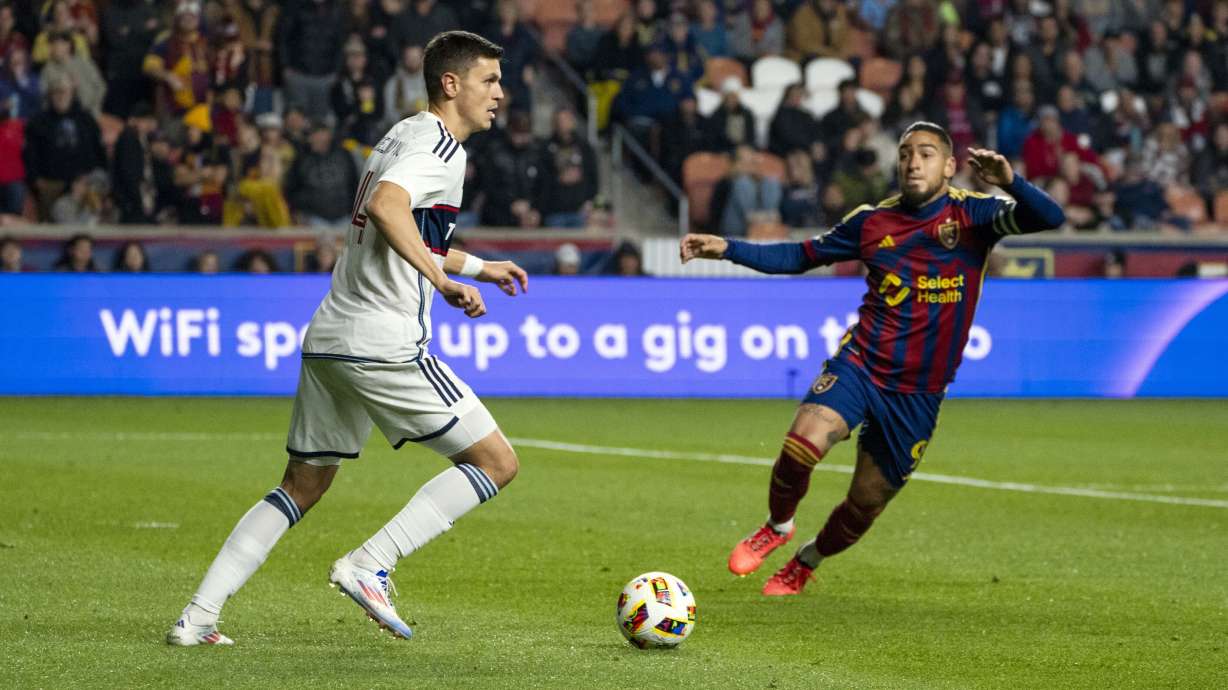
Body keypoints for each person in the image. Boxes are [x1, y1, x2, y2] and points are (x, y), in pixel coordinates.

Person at [167, 30, 527, 646]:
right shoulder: (440, 148)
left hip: (332, 334)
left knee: (301, 485)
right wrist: (442, 280)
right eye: (489, 80)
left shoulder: (401, 134)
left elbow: (403, 226)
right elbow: (389, 208)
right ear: (451, 84)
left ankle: (197, 617)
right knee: (496, 462)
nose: (500, 92)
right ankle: (369, 563)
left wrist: (475, 266)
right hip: (381, 341)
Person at [679, 122, 1064, 596]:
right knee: (803, 442)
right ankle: (777, 526)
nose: (913, 162)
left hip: (919, 393)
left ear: (948, 166)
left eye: (925, 153)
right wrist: (727, 248)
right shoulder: (871, 221)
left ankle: (807, 561)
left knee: (865, 502)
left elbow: (1050, 217)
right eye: (905, 154)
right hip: (863, 363)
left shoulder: (975, 217)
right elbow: (800, 256)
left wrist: (1009, 182)